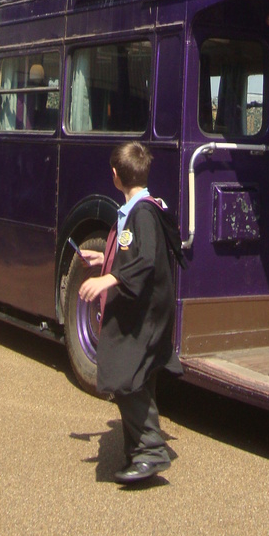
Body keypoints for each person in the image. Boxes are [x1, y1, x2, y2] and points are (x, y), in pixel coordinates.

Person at [77, 142, 186, 485]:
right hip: (145, 310)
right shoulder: (138, 210)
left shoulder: (143, 213)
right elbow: (133, 252)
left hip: (146, 313)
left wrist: (110, 278)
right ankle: (139, 449)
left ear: (115, 176)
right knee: (137, 376)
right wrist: (103, 259)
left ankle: (150, 450)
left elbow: (147, 259)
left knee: (123, 374)